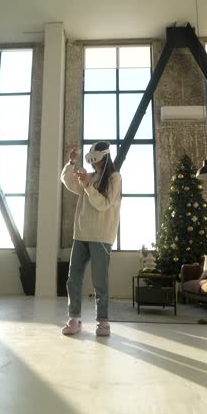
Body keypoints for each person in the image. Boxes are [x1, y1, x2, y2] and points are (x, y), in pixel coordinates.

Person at [60, 141, 122, 336]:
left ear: (104, 157)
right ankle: (74, 319)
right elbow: (68, 182)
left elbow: (104, 205)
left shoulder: (114, 178)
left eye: (96, 161)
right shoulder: (91, 176)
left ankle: (103, 322)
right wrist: (71, 162)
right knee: (73, 279)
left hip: (101, 236)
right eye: (92, 161)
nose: (94, 165)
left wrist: (88, 186)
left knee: (99, 281)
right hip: (81, 234)